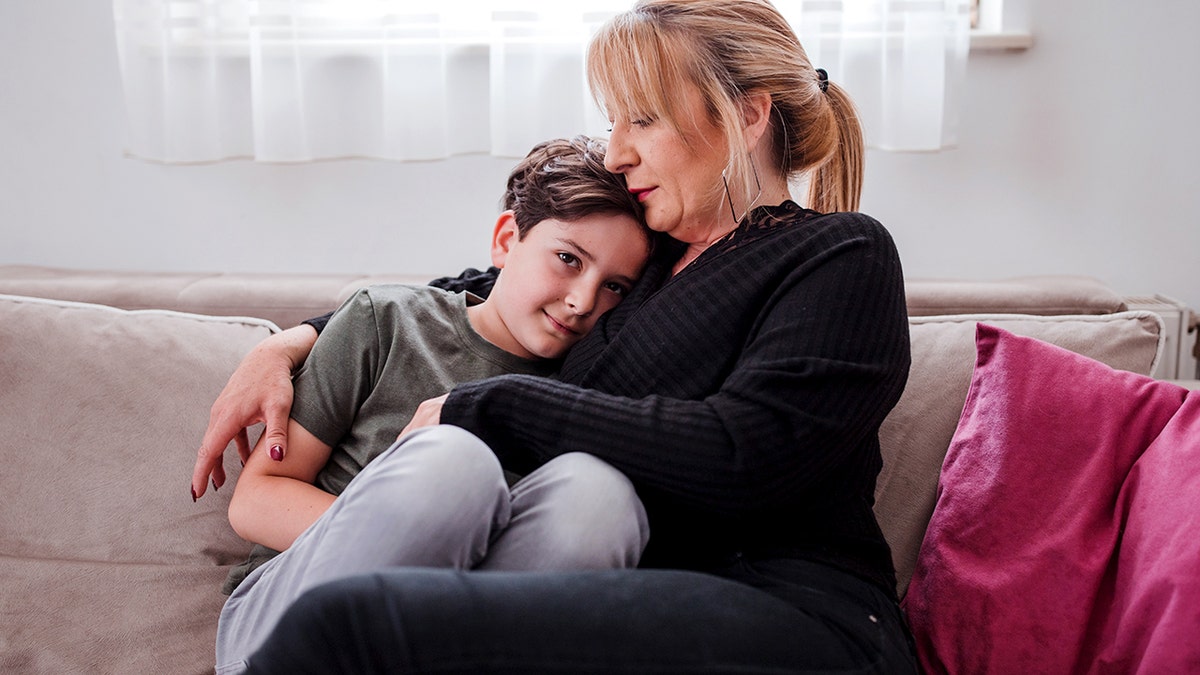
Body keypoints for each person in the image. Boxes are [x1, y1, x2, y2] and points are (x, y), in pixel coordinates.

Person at [196, 0, 919, 671]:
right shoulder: (645, 264)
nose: (615, 154)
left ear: (747, 114)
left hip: (795, 606)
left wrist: (492, 407)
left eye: (642, 119)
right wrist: (287, 343)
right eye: (613, 122)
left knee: (365, 620)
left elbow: (746, 453)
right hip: (626, 590)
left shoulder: (839, 253)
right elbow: (486, 288)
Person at [212, 136, 655, 672]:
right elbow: (254, 500)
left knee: (600, 495)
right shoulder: (387, 320)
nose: (583, 301)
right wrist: (412, 537)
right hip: (287, 617)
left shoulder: (588, 386)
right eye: (567, 259)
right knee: (453, 461)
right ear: (507, 239)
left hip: (446, 642)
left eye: (614, 287)